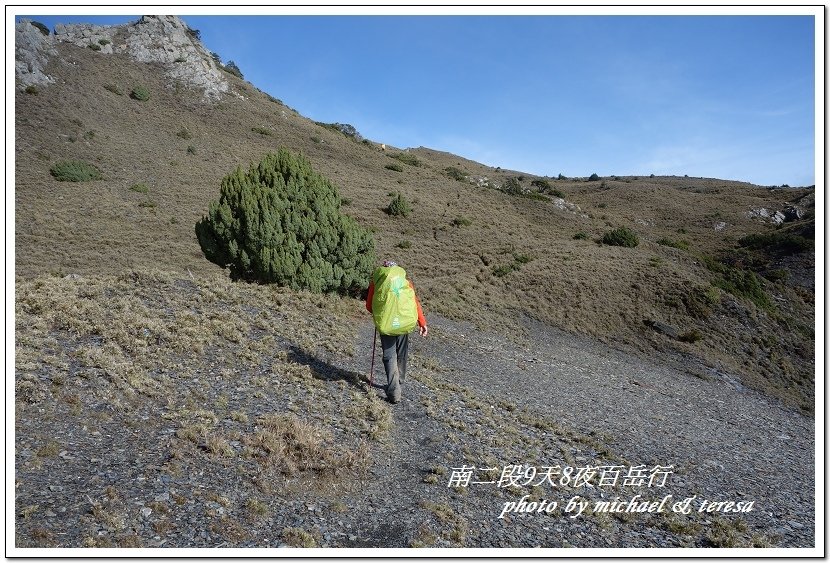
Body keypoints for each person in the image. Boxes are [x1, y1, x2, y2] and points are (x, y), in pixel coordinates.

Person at [366, 260, 428, 403]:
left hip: (387, 323)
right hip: (403, 322)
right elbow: (414, 302)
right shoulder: (405, 281)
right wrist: (422, 322)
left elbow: (369, 306)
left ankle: (394, 391)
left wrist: (381, 313)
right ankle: (398, 382)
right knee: (402, 352)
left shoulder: (377, 282)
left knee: (389, 355)